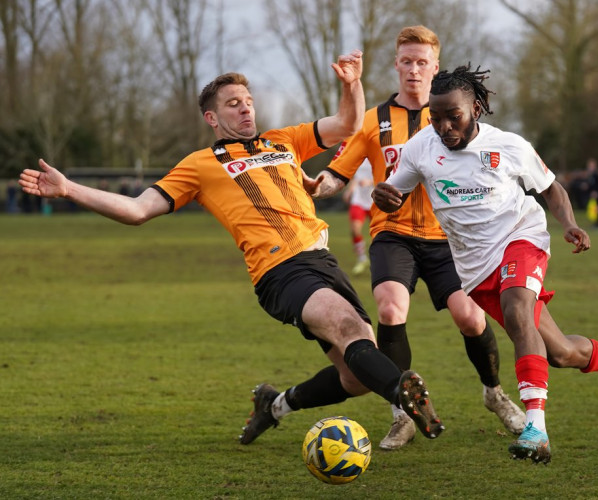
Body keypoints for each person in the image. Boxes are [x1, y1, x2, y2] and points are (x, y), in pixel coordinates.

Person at [18, 50, 446, 446]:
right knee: (352, 331)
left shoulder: (284, 140)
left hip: (322, 261)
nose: (244, 108)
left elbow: (346, 125)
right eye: (232, 103)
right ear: (212, 116)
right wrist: (70, 188)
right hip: (279, 271)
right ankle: (403, 395)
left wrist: (352, 84)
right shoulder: (199, 165)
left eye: (248, 100)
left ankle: (275, 405)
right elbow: (137, 209)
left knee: (354, 376)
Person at [372, 64, 598, 464]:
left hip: (521, 238)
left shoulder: (509, 145)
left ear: (475, 108)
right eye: (435, 118)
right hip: (475, 268)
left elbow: (552, 188)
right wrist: (383, 195)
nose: (443, 127)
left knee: (517, 309)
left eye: (452, 116)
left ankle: (536, 429)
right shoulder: (420, 147)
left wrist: (570, 224)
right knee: (559, 353)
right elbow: (394, 189)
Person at [304, 25, 524, 451]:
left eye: (422, 62)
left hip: (450, 238)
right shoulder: (373, 121)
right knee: (389, 309)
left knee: (471, 319)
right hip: (394, 234)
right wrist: (315, 186)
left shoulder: (453, 115)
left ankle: (494, 393)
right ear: (396, 65)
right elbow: (337, 174)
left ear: (435, 67)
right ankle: (401, 412)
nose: (414, 70)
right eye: (406, 61)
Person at [342, 158, 373, 275]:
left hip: (375, 201)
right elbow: (356, 177)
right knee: (355, 230)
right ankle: (362, 258)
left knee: (378, 233)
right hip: (358, 201)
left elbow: (387, 177)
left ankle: (379, 260)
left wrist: (370, 182)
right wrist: (349, 191)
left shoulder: (378, 154)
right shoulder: (358, 156)